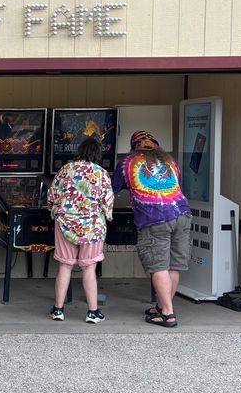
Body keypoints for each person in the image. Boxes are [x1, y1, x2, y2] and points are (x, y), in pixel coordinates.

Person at [112, 130, 192, 328]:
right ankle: (162, 306)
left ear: (133, 147)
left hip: (154, 217)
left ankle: (167, 314)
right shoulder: (170, 162)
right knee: (174, 265)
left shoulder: (127, 163)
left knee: (158, 266)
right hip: (181, 214)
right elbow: (177, 188)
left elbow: (111, 190)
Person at [46, 136, 115, 323]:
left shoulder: (65, 170)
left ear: (79, 151)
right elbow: (108, 202)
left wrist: (56, 211)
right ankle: (92, 312)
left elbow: (51, 195)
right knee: (89, 268)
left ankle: (58, 310)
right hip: (93, 227)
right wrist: (104, 216)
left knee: (65, 266)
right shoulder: (101, 173)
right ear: (98, 154)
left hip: (65, 224)